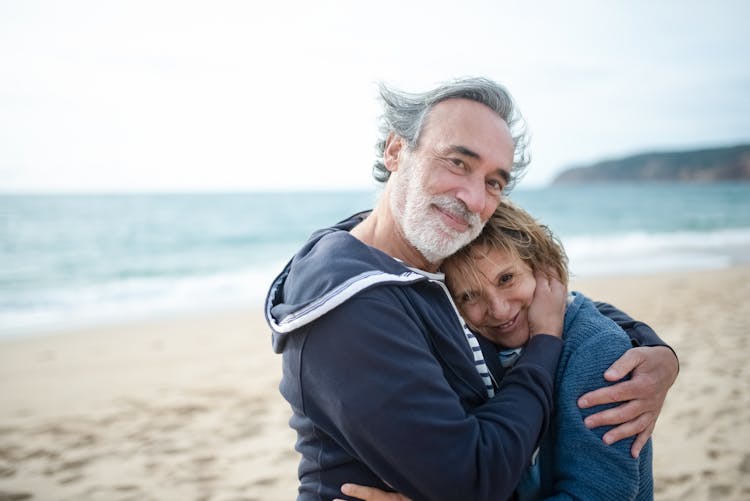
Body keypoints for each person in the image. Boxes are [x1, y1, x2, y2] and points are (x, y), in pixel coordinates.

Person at [264, 77, 678, 500]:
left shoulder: (423, 256)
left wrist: (654, 350)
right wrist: (545, 343)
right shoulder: (353, 309)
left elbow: (556, 301)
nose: (475, 199)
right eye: (458, 162)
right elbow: (472, 484)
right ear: (395, 150)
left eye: (494, 182)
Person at [338, 200, 654, 501]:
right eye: (469, 296)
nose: (499, 310)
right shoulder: (474, 350)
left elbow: (600, 493)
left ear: (545, 268)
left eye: (506, 278)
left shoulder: (596, 352)